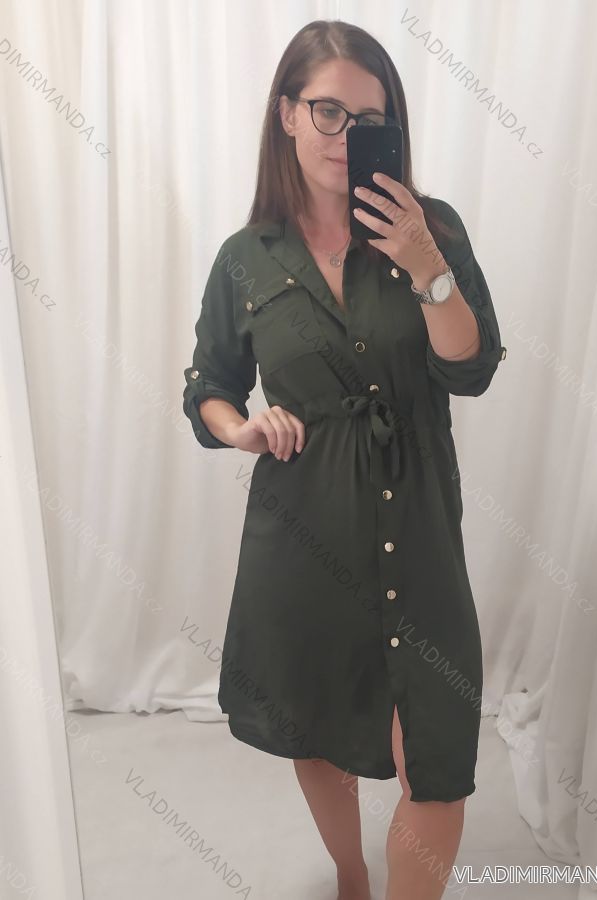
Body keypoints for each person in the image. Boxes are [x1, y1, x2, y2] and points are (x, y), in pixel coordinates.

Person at [182, 19, 507, 900]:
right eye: (328, 111)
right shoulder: (245, 260)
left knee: (435, 760)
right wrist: (241, 428)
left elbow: (471, 368)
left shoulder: (431, 229)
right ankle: (350, 875)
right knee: (318, 731)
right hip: (303, 534)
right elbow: (209, 383)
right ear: (287, 113)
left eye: (370, 120)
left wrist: (425, 265)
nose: (345, 136)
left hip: (419, 528)